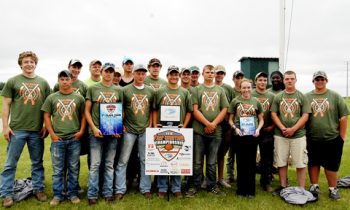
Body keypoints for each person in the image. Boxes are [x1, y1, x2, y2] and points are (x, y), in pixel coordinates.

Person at [0, 51, 51, 208]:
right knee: (10, 164)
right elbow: (6, 104)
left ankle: (38, 189)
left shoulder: (43, 83)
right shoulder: (12, 81)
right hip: (17, 130)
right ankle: (7, 194)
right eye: (26, 62)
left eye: (31, 61)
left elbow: (47, 108)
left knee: (37, 162)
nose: (29, 64)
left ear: (35, 63)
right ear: (21, 64)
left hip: (36, 130)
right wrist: (5, 126)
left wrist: (46, 126)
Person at [42, 70, 86, 206]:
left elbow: (84, 115)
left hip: (74, 139)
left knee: (73, 168)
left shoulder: (79, 98)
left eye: (67, 79)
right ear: (58, 81)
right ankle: (58, 195)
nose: (65, 82)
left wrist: (81, 131)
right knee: (58, 170)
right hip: (58, 140)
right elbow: (46, 116)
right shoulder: (52, 97)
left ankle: (72, 193)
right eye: (62, 79)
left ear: (71, 80)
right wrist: (53, 135)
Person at [185, 65, 229, 197]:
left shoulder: (220, 90)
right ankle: (194, 186)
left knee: (211, 162)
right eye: (208, 72)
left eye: (212, 72)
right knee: (197, 162)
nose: (210, 74)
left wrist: (213, 124)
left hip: (216, 132)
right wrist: (207, 123)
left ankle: (212, 186)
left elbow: (224, 109)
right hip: (199, 131)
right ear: (202, 74)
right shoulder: (197, 89)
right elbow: (195, 109)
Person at [305, 71, 349, 200]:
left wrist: (341, 137)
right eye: (317, 79)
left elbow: (343, 117)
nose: (319, 81)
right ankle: (314, 186)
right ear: (313, 81)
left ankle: (333, 189)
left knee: (332, 165)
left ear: (326, 80)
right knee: (313, 163)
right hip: (312, 138)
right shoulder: (307, 96)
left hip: (332, 138)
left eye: (322, 79)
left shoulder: (335, 96)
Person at [114, 64, 155, 200]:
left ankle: (145, 188)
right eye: (138, 73)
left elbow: (151, 110)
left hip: (144, 130)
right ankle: (120, 189)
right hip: (129, 130)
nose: (140, 76)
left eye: (143, 73)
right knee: (123, 160)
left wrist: (150, 125)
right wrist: (121, 125)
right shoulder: (125, 90)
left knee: (145, 160)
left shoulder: (150, 91)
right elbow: (119, 109)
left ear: (145, 75)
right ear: (134, 74)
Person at [85, 63, 123, 205]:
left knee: (109, 164)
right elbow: (87, 111)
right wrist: (94, 128)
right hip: (96, 133)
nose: (108, 74)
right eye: (106, 71)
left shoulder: (118, 90)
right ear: (101, 72)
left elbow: (121, 111)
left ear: (114, 74)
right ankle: (92, 194)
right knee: (95, 164)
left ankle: (108, 193)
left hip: (112, 134)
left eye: (111, 71)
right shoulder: (92, 88)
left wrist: (117, 129)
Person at [153, 65, 192, 199]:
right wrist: (155, 126)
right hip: (162, 130)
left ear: (179, 76)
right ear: (167, 76)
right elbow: (154, 110)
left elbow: (189, 112)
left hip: (178, 130)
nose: (174, 77)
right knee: (163, 158)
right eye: (171, 74)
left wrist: (184, 127)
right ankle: (162, 187)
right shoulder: (160, 91)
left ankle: (176, 188)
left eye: (176, 74)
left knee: (176, 159)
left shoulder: (185, 92)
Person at [270, 70, 311, 194]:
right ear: (284, 80)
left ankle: (301, 188)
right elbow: (273, 114)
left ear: (296, 80)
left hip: (298, 135)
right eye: (287, 79)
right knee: (281, 161)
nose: (289, 81)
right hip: (280, 134)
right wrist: (282, 127)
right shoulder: (278, 96)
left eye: (292, 78)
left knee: (300, 162)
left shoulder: (302, 96)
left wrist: (293, 129)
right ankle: (283, 186)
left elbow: (305, 115)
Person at [228, 79, 264, 198]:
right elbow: (230, 119)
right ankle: (241, 190)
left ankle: (250, 191)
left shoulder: (256, 101)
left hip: (252, 136)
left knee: (251, 163)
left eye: (248, 87)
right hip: (239, 136)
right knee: (241, 163)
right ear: (240, 88)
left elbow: (261, 119)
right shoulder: (235, 101)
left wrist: (258, 129)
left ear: (251, 88)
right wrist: (235, 128)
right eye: (243, 87)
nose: (246, 90)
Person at [251, 72, 275, 192]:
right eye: (260, 80)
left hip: (266, 130)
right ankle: (249, 181)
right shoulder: (250, 93)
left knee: (266, 158)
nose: (262, 82)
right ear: (256, 81)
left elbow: (275, 113)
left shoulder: (271, 96)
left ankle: (265, 182)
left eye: (265, 80)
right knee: (250, 156)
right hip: (252, 130)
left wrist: (273, 125)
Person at [214, 65, 234, 188]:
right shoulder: (209, 86)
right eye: (217, 73)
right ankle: (207, 178)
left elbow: (231, 106)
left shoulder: (228, 88)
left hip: (225, 124)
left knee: (221, 153)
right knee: (208, 153)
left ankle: (220, 178)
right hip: (212, 122)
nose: (219, 75)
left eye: (221, 73)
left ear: (224, 75)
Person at [226, 70, 244, 184]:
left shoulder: (247, 91)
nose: (239, 79)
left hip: (245, 127)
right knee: (231, 153)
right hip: (232, 126)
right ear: (233, 79)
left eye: (241, 77)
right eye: (237, 78)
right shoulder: (230, 91)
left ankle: (241, 175)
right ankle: (230, 175)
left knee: (241, 153)